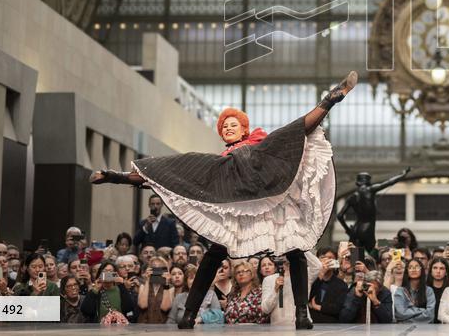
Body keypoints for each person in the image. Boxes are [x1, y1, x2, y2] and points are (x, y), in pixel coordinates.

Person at [90, 70, 357, 330]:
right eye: (224, 126)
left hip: (270, 203)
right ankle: (189, 314)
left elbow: (291, 141)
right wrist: (118, 177)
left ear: (244, 129)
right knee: (211, 247)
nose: (228, 128)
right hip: (236, 209)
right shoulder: (220, 164)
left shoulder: (260, 145)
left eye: (234, 124)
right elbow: (175, 175)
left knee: (295, 249)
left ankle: (302, 313)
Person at [336, 168, 412, 258]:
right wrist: (402, 175)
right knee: (374, 256)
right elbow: (389, 182)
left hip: (355, 230)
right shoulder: (370, 189)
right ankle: (397, 258)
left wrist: (348, 229)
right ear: (368, 181)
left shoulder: (352, 197)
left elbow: (340, 215)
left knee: (355, 259)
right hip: (367, 229)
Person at [261, 251, 322, 326]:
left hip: (302, 324)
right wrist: (275, 290)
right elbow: (265, 309)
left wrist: (300, 248)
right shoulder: (269, 279)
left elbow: (318, 266)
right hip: (279, 327)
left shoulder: (305, 274)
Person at [308, 248, 348, 323]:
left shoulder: (341, 285)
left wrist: (317, 307)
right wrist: (321, 273)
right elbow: (307, 298)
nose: (326, 261)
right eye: (323, 258)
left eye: (330, 258)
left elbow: (337, 308)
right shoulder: (311, 281)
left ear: (336, 261)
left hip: (331, 325)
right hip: (311, 323)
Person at [393, 257, 435, 323]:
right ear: (407, 271)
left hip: (426, 329)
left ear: (422, 270)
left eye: (417, 267)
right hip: (403, 329)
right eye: (410, 267)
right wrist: (422, 310)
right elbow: (400, 314)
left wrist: (406, 320)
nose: (413, 269)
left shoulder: (429, 291)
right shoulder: (400, 291)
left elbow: (430, 315)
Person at [137, 256, 175, 323]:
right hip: (144, 325)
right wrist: (147, 280)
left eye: (160, 266)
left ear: (165, 269)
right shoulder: (143, 286)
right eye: (154, 266)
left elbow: (165, 308)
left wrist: (166, 283)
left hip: (161, 325)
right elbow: (143, 305)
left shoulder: (170, 287)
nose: (157, 269)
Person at [427, 257, 449, 322]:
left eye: (442, 268)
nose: (438, 271)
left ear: (446, 272)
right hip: (426, 327)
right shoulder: (425, 289)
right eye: (435, 268)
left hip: (446, 326)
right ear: (430, 271)